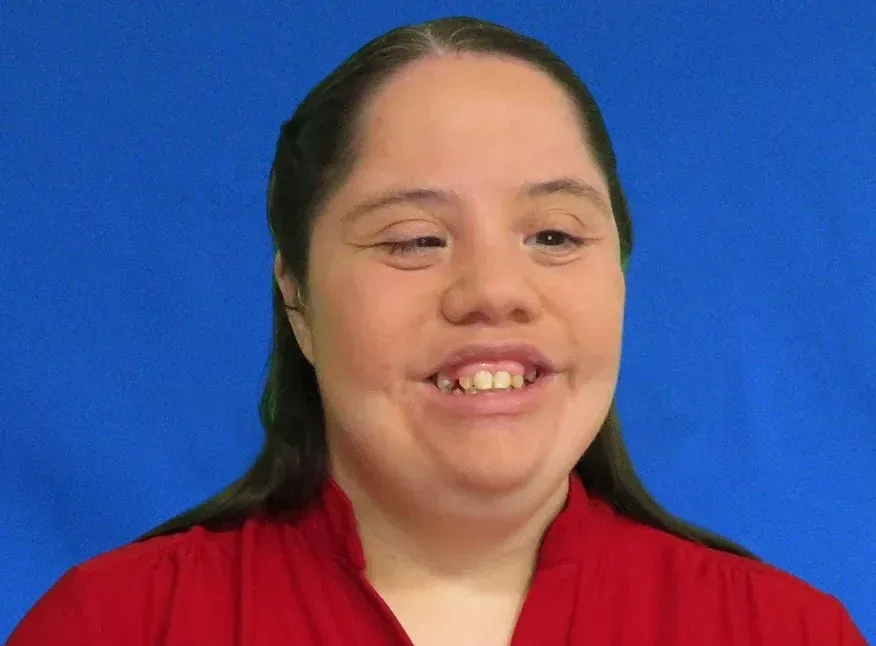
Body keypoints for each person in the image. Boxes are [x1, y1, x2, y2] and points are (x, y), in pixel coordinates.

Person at [7, 16, 865, 646]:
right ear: (297, 299)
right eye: (415, 240)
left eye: (554, 235)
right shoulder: (114, 626)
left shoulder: (783, 632)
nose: (495, 292)